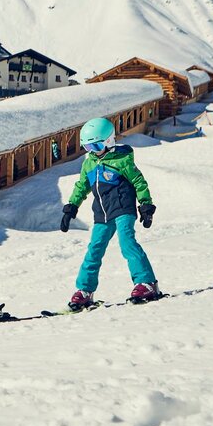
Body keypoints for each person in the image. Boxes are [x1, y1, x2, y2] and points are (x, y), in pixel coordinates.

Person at [59, 117, 159, 310]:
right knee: (94, 250)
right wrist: (71, 207)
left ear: (108, 141)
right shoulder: (89, 164)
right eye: (88, 148)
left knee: (127, 243)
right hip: (102, 214)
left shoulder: (122, 160)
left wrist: (146, 205)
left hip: (123, 210)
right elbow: (81, 186)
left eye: (95, 146)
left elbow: (139, 182)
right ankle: (85, 290)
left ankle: (146, 283)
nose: (92, 152)